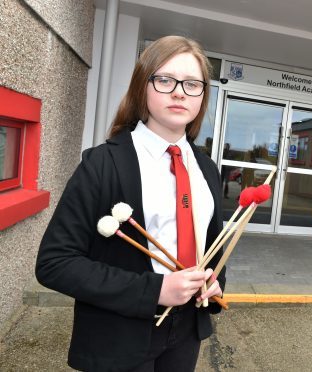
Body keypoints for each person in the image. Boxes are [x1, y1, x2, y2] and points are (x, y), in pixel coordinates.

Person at [36, 36, 225, 372]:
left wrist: (212, 281)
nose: (179, 92)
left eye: (192, 84)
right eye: (165, 80)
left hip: (185, 333)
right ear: (143, 86)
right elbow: (55, 262)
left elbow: (212, 247)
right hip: (117, 335)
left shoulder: (207, 169)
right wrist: (154, 290)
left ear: (202, 96)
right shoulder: (102, 164)